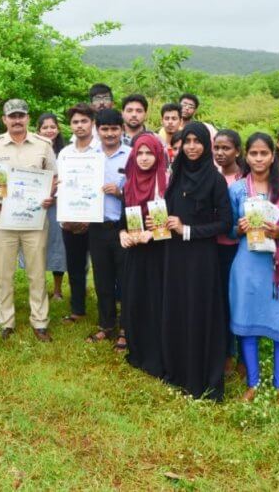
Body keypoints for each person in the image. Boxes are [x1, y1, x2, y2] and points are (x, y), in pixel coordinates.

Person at [229, 133, 279, 405]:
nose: (259, 159)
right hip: (247, 263)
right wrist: (237, 228)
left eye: (264, 154)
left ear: (273, 156)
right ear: (246, 156)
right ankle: (252, 383)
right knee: (248, 321)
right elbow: (226, 228)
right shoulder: (238, 190)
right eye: (254, 154)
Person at [160, 123, 232, 400]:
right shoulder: (176, 175)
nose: (191, 146)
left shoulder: (214, 180)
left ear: (206, 145)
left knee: (197, 311)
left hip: (201, 258)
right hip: (174, 255)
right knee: (177, 307)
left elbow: (224, 223)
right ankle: (176, 370)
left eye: (197, 141)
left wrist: (187, 229)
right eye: (186, 141)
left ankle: (198, 375)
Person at [0, 99, 58, 342]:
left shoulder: (43, 145)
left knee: (36, 271)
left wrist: (50, 195)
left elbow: (54, 178)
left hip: (34, 217)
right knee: (4, 271)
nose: (16, 120)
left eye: (21, 116)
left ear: (27, 118)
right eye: (11, 116)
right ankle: (6, 320)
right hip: (2, 215)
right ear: (4, 120)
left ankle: (40, 321)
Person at [119, 133, 169, 377]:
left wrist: (153, 233)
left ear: (158, 155)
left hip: (159, 253)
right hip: (135, 252)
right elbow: (122, 219)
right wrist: (122, 234)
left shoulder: (166, 183)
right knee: (134, 298)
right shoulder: (128, 183)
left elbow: (170, 223)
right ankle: (136, 348)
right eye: (139, 153)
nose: (144, 158)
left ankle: (157, 352)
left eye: (149, 153)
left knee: (156, 301)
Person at [85, 109, 129, 349]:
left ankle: (126, 329)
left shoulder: (132, 156)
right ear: (97, 130)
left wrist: (121, 192)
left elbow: (141, 193)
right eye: (105, 129)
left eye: (114, 128)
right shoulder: (88, 157)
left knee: (125, 280)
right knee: (102, 278)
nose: (110, 133)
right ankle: (106, 325)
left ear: (121, 129)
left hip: (123, 227)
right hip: (97, 226)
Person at [59, 103, 96, 323]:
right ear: (70, 125)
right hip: (70, 221)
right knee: (74, 267)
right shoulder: (64, 153)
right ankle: (77, 310)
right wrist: (68, 218)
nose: (80, 126)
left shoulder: (101, 152)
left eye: (84, 121)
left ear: (92, 123)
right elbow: (61, 187)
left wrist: (89, 219)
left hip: (95, 222)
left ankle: (107, 311)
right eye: (75, 122)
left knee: (102, 270)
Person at [213, 129, 244, 377]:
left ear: (237, 151)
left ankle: (245, 356)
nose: (221, 153)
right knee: (221, 301)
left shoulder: (246, 180)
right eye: (217, 148)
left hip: (241, 249)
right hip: (215, 249)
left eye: (226, 148)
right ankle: (225, 353)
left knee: (240, 301)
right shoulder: (211, 176)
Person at [36, 113, 67, 299]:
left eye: (52, 127)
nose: (49, 130)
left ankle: (57, 290)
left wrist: (57, 194)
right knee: (37, 246)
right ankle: (39, 288)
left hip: (59, 206)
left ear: (58, 129)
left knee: (58, 246)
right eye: (45, 127)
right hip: (39, 206)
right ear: (38, 130)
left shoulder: (65, 152)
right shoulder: (33, 151)